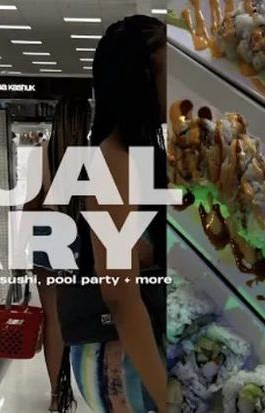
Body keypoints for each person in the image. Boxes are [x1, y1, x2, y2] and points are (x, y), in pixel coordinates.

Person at [54, 15, 168, 413]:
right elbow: (119, 296)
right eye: (169, 72)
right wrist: (167, 397)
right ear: (140, 79)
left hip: (130, 349)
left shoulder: (136, 155)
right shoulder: (114, 161)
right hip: (124, 361)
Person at [24, 96, 93, 412]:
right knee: (78, 316)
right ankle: (85, 385)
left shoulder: (40, 154)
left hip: (46, 233)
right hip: (79, 235)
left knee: (53, 319)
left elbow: (30, 204)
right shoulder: (91, 156)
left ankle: (57, 395)